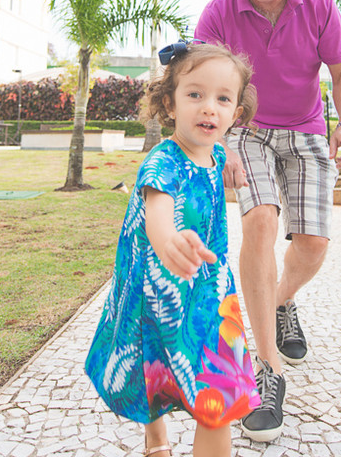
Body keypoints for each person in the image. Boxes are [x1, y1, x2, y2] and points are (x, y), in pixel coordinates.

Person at [194, 0, 341, 443]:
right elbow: (200, 83)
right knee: (261, 222)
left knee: (312, 243)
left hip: (308, 129)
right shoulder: (218, 12)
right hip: (248, 129)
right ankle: (268, 369)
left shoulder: (318, 3)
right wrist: (222, 146)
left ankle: (281, 299)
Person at [85, 40, 262, 457]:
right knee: (154, 373)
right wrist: (168, 243)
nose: (208, 108)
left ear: (236, 113)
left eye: (222, 99)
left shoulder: (216, 154)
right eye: (195, 95)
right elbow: (157, 213)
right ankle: (156, 438)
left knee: (219, 399)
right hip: (156, 291)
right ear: (170, 103)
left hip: (209, 292)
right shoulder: (162, 162)